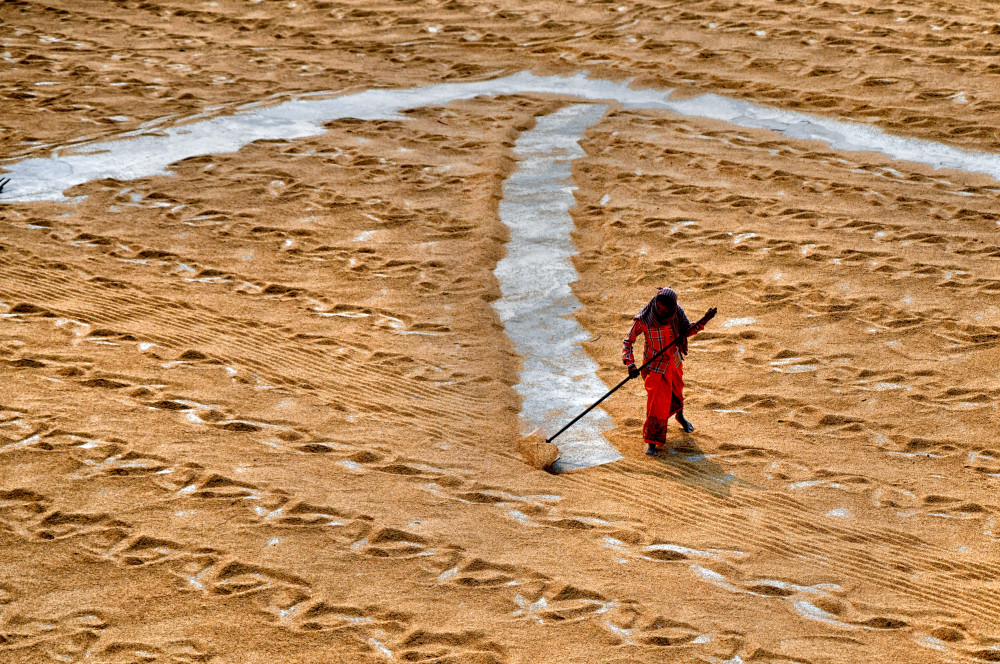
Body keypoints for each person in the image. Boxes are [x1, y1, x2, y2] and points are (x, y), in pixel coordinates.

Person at [622, 287, 715, 456]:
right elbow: (628, 342)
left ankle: (680, 416)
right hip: (655, 366)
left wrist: (704, 321)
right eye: (660, 309)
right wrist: (630, 365)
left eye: (666, 310)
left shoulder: (677, 313)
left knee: (676, 392)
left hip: (674, 361)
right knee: (656, 404)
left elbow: (687, 331)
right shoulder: (644, 319)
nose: (662, 313)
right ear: (655, 304)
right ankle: (652, 442)